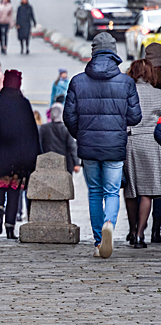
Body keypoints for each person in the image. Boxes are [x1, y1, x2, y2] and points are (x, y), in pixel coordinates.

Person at [63, 32, 142, 259]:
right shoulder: (126, 82)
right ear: (114, 52)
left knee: (95, 193)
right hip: (115, 146)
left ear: (93, 52)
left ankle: (99, 242)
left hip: (88, 146)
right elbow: (135, 117)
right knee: (112, 192)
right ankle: (110, 223)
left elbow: (69, 116)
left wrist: (81, 134)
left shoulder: (77, 81)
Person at [0, 70, 41, 238]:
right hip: (19, 158)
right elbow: (32, 133)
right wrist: (34, 157)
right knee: (14, 191)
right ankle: (10, 228)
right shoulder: (23, 104)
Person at [123, 59, 161, 249]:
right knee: (146, 192)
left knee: (131, 190)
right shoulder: (158, 94)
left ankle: (131, 229)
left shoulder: (127, 91)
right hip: (151, 142)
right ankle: (140, 235)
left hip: (130, 140)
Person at [145, 43, 161, 243]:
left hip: (143, 138)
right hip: (157, 136)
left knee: (145, 188)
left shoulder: (140, 78)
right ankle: (157, 228)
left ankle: (139, 229)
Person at [39, 103, 81, 174]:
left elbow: (39, 144)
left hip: (47, 162)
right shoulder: (66, 129)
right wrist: (76, 163)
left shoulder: (44, 128)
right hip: (65, 164)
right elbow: (72, 147)